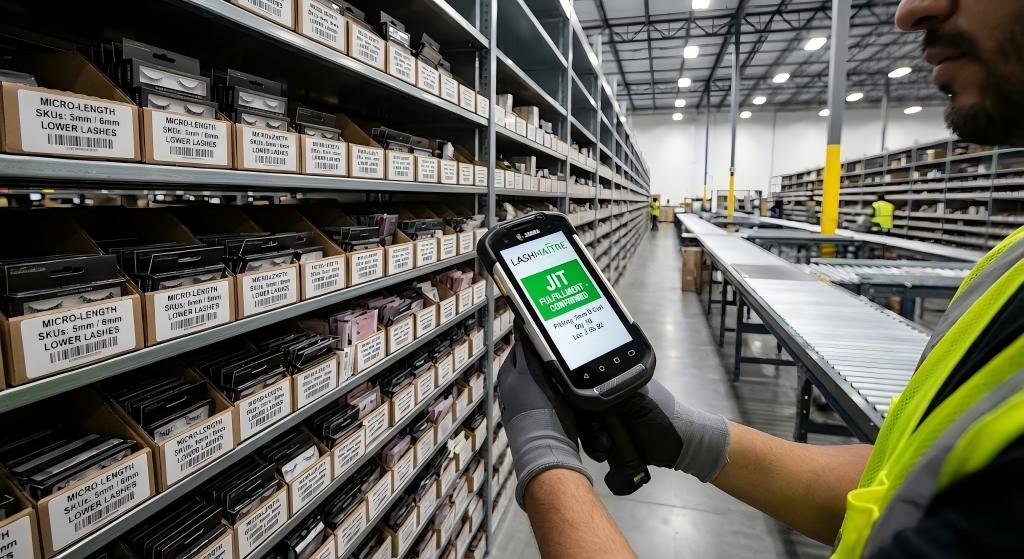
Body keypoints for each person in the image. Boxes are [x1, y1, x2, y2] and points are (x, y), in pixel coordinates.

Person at [497, 0, 1024, 557]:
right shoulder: (1010, 264)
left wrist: (546, 460)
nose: (911, 10)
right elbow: (899, 486)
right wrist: (692, 437)